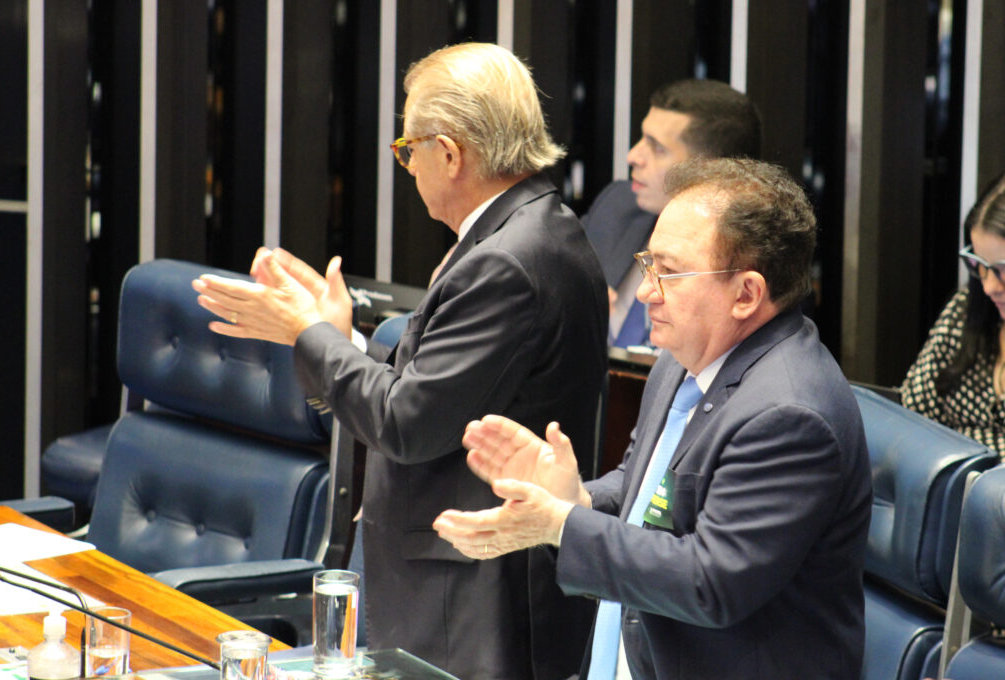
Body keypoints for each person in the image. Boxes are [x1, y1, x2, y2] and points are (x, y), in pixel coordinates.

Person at [192, 42, 607, 679]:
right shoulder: (532, 230)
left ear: (450, 152)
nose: (408, 167)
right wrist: (339, 338)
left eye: (408, 149)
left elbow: (407, 422)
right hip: (457, 577)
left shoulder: (506, 260)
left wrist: (307, 333)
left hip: (468, 596)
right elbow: (439, 389)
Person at [433, 157, 872, 680]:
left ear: (747, 294)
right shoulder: (681, 361)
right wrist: (576, 497)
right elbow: (650, 484)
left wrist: (560, 524)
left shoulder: (790, 415)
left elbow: (708, 582)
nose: (645, 292)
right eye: (648, 264)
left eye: (670, 272)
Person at [582, 79, 761, 348]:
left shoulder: (756, 256)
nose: (633, 156)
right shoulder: (617, 206)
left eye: (657, 147)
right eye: (642, 138)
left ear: (711, 170)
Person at [900, 171, 1005, 456]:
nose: (989, 286)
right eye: (979, 265)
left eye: (1002, 269)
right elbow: (914, 412)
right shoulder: (969, 307)